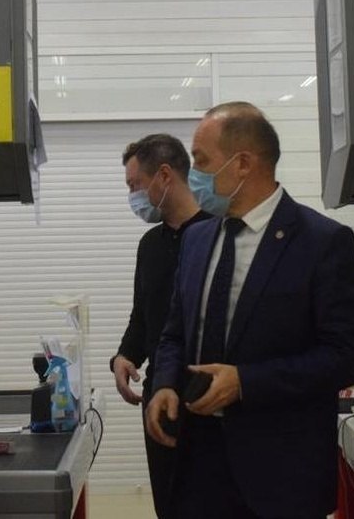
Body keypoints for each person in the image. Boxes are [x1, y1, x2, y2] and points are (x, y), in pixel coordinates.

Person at [145, 102, 354, 519]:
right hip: (197, 469)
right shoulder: (197, 240)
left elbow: (349, 356)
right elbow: (174, 332)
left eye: (201, 161)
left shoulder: (322, 244)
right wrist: (164, 383)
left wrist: (246, 382)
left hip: (280, 478)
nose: (192, 175)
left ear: (243, 164)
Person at [112, 133, 211, 518]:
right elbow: (143, 315)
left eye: (135, 185)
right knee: (169, 504)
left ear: (164, 176)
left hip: (208, 394)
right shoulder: (150, 245)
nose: (133, 196)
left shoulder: (218, 234)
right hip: (159, 397)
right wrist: (124, 356)